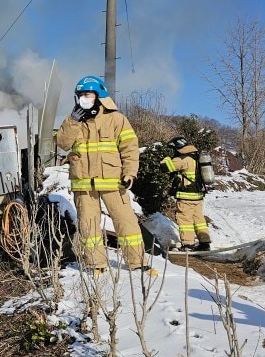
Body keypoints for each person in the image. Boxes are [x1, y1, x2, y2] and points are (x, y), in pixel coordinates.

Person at [56, 75, 156, 276]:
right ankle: (95, 264)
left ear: (99, 95)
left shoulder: (116, 118)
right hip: (83, 182)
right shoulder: (74, 120)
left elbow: (129, 148)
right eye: (81, 95)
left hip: (113, 181)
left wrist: (130, 173)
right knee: (88, 224)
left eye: (88, 94)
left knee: (125, 221)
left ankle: (137, 262)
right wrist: (72, 121)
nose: (84, 98)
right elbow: (62, 143)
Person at [160, 137, 211, 251]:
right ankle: (204, 243)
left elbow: (165, 167)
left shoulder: (183, 159)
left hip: (186, 196)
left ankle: (188, 244)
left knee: (185, 219)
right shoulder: (197, 157)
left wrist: (165, 157)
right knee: (199, 219)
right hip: (198, 195)